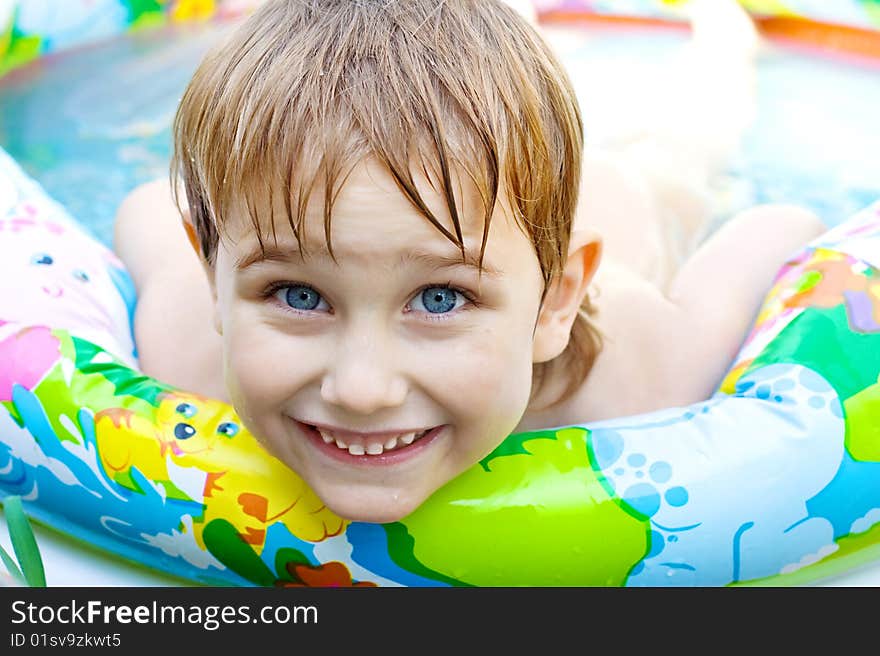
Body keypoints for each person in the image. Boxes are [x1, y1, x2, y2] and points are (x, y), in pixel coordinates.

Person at [113, 0, 825, 524]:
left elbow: (781, 225)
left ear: (556, 302)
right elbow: (147, 205)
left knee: (694, 141)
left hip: (628, 200)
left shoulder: (641, 380)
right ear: (213, 273)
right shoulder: (187, 347)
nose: (363, 389)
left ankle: (725, 36)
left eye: (440, 299)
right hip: (483, 208)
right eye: (299, 294)